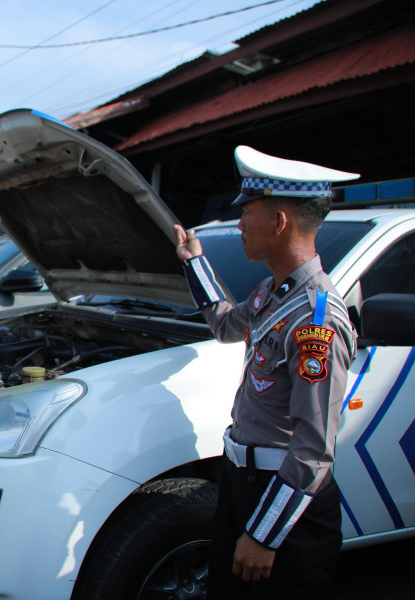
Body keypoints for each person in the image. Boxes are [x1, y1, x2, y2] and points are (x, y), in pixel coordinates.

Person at [174, 146, 358, 599]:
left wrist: (264, 535)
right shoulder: (271, 294)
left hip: (285, 508)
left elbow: (314, 448)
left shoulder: (316, 320)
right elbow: (223, 325)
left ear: (279, 222)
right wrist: (194, 261)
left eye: (247, 213)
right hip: (243, 488)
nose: (238, 224)